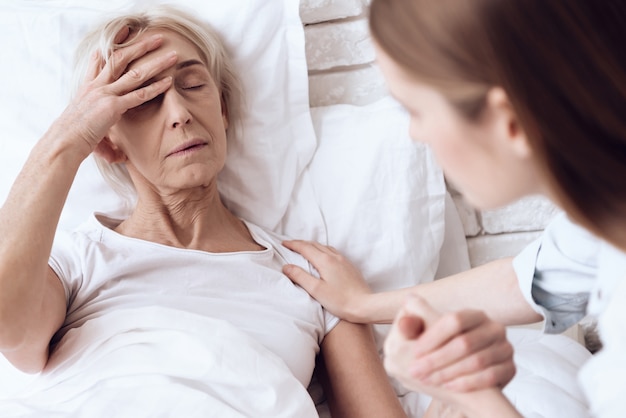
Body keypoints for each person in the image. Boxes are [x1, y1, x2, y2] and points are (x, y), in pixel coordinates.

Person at [0, 6, 409, 417]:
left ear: (224, 109)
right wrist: (69, 136)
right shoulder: (75, 261)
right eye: (145, 100)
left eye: (192, 85)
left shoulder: (312, 277)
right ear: (108, 144)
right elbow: (7, 323)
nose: (180, 114)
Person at [281, 0, 626, 416]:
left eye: (417, 110)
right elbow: (535, 277)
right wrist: (362, 306)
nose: (414, 133)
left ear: (509, 121)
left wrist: (467, 392)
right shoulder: (604, 218)